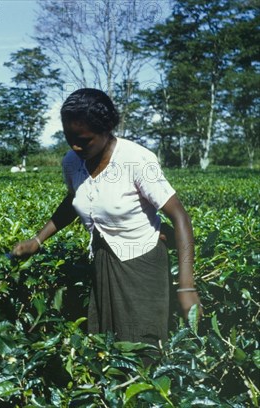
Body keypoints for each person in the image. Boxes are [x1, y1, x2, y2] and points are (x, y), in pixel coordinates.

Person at [12, 88, 201, 345]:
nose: (75, 145)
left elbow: (180, 217)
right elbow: (74, 200)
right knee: (106, 347)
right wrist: (37, 240)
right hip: (103, 261)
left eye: (84, 139)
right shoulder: (72, 161)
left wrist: (187, 286)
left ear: (106, 130)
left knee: (142, 347)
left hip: (142, 263)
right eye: (69, 137)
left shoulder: (136, 160)